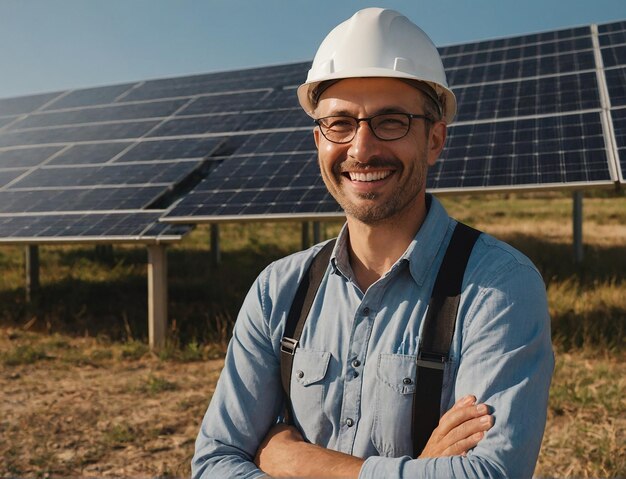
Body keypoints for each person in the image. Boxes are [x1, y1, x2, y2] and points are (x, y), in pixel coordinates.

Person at [192, 7, 554, 479]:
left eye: (391, 121)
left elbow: (488, 474)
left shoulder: (500, 287)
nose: (361, 149)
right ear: (317, 140)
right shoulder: (277, 290)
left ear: (435, 139)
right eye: (339, 123)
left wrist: (297, 459)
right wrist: (419, 470)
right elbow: (215, 461)